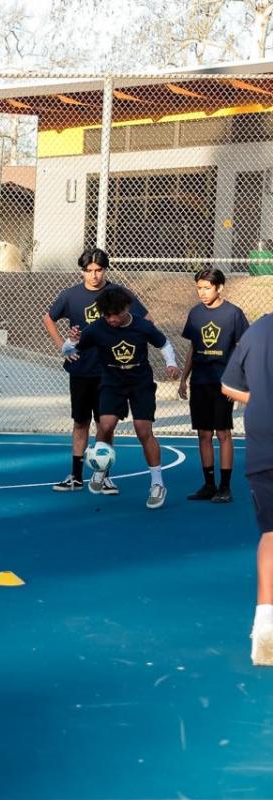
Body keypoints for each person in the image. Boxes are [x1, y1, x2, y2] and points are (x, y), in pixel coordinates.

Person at [63, 286, 180, 509]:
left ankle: (157, 484)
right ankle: (100, 468)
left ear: (126, 309)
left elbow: (163, 344)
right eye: (106, 315)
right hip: (112, 383)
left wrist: (171, 363)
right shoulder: (97, 328)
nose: (111, 320)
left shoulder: (142, 326)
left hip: (140, 384)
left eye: (115, 315)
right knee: (105, 424)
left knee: (143, 430)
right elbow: (70, 350)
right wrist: (70, 341)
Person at [44, 248, 149, 492]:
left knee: (106, 425)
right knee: (81, 422)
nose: (94, 275)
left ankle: (104, 475)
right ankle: (76, 476)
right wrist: (63, 346)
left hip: (110, 372)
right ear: (82, 271)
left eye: (98, 270)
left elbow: (145, 320)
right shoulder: (71, 296)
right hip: (81, 370)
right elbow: (49, 317)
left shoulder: (118, 294)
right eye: (89, 271)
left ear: (105, 270)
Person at [221, 313, 273, 665]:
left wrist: (258, 400)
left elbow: (227, 386)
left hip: (263, 444)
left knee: (271, 533)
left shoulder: (258, 331)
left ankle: (266, 624)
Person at [178, 268, 249, 503]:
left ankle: (225, 487)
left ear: (219, 288)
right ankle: (209, 485)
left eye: (207, 287)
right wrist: (183, 378)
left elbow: (242, 350)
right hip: (200, 381)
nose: (202, 292)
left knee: (223, 432)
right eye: (199, 287)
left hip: (223, 384)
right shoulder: (195, 313)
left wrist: (238, 382)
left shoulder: (234, 314)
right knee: (204, 433)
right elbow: (192, 348)